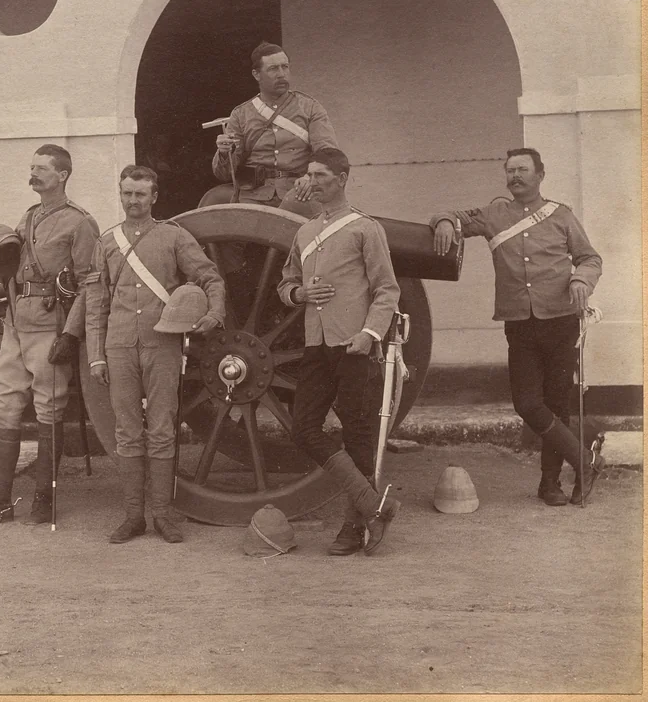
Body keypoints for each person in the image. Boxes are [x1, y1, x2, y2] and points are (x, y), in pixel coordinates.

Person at [431, 148, 604, 506]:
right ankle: (585, 461)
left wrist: (581, 281)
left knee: (557, 404)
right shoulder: (494, 215)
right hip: (520, 325)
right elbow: (450, 215)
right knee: (527, 403)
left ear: (540, 174)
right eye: (510, 171)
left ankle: (550, 484)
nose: (515, 176)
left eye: (523, 170)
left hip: (561, 321)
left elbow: (589, 258)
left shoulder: (561, 215)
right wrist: (445, 222)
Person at [0, 144, 99, 528]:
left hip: (51, 325)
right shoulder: (30, 216)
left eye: (42, 168)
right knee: (5, 405)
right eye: (32, 168)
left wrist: (71, 333)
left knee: (49, 407)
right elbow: (14, 267)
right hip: (16, 322)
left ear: (62, 175)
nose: (33, 174)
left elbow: (89, 284)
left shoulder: (80, 223)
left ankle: (44, 500)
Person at [86, 165, 226, 544]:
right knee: (127, 431)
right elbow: (96, 304)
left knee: (163, 428)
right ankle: (134, 517)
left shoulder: (173, 236)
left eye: (140, 194)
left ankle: (162, 516)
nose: (133, 200)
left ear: (154, 197)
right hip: (119, 346)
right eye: (127, 193)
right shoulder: (107, 242)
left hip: (162, 344)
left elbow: (210, 277)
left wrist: (215, 313)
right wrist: (96, 355)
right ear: (121, 195)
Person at [277, 148, 402, 556]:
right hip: (317, 344)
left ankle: (354, 527)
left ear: (343, 178)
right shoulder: (305, 232)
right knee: (304, 429)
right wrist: (299, 294)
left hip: (354, 345)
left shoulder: (365, 228)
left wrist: (369, 333)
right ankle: (375, 506)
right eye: (309, 175)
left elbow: (387, 289)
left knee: (357, 435)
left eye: (321, 175)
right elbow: (287, 283)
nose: (312, 182)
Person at [211, 42, 339, 218]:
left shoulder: (310, 108)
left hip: (301, 195)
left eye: (285, 67)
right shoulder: (241, 114)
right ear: (256, 74)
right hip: (254, 199)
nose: (281, 74)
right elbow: (224, 174)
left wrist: (311, 177)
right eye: (273, 69)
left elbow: (327, 152)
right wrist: (224, 152)